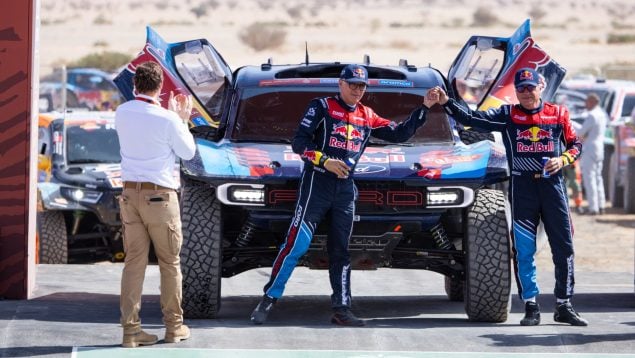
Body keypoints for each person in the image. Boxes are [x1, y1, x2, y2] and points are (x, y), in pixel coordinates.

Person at [250, 64, 437, 326]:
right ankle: (269, 297)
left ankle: (342, 308)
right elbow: (299, 143)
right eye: (352, 85)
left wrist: (425, 107)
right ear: (341, 84)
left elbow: (400, 133)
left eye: (362, 86)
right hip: (317, 183)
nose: (357, 90)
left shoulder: (367, 115)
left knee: (341, 251)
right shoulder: (321, 107)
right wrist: (324, 160)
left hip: (345, 189)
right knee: (297, 244)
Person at [428, 67, 588, 326]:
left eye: (530, 87)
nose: (526, 92)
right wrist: (447, 103)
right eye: (521, 88)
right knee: (524, 250)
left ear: (541, 87)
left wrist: (564, 159)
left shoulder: (558, 114)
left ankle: (564, 304)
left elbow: (576, 144)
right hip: (522, 188)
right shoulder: (508, 114)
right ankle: (531, 305)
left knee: (565, 247)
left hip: (553, 188)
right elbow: (472, 117)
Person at [115, 61, 196, 347]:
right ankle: (174, 327)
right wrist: (181, 120)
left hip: (129, 196)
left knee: (133, 264)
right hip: (160, 197)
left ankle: (130, 331)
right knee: (170, 263)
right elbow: (188, 152)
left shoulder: (121, 113)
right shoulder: (168, 119)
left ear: (135, 85)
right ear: (160, 88)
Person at [577, 93, 608, 215]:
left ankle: (593, 207)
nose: (586, 104)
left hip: (590, 146)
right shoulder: (602, 114)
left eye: (587, 102)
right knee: (598, 177)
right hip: (600, 146)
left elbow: (581, 132)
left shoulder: (592, 115)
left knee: (589, 177)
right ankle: (601, 205)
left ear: (592, 102)